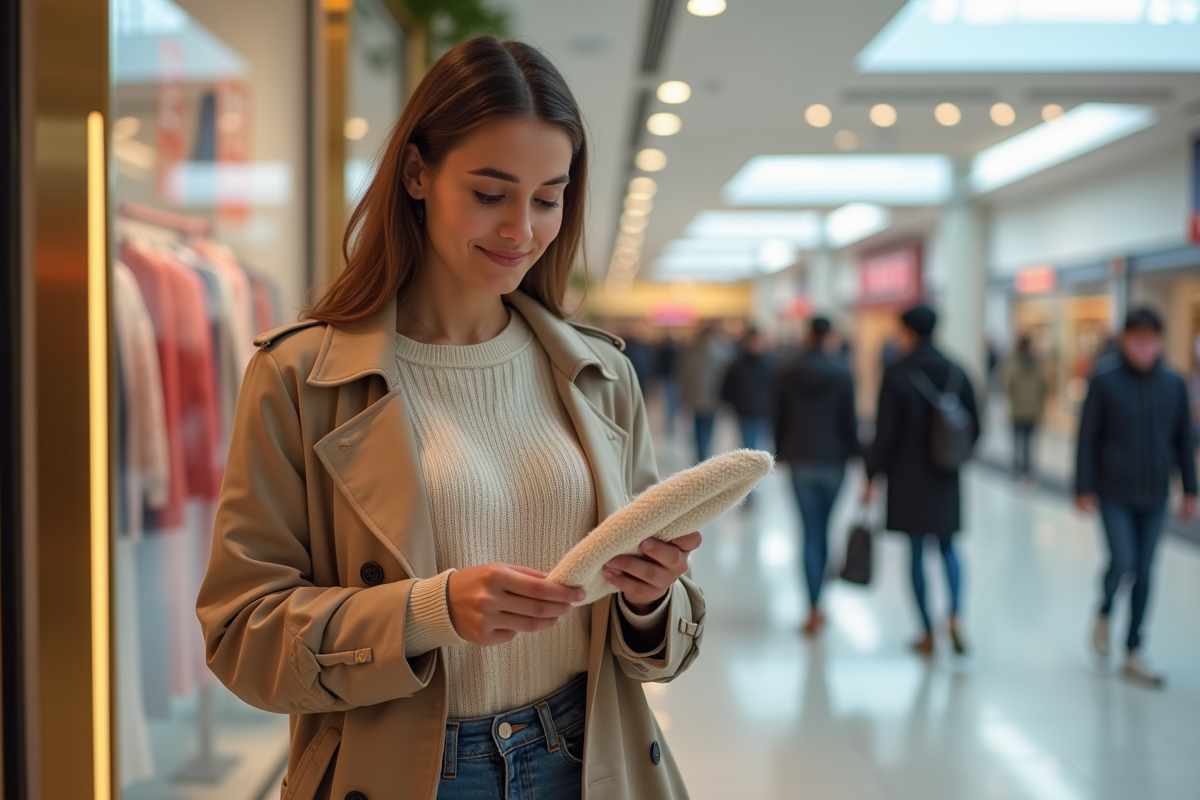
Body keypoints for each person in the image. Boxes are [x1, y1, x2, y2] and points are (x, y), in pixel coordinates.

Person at [196, 38, 705, 800]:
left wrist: (650, 598)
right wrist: (426, 611)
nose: (521, 231)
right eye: (490, 193)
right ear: (416, 174)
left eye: (548, 199)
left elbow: (660, 639)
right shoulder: (302, 377)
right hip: (410, 772)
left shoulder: (600, 376)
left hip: (587, 760)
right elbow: (243, 633)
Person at [1075, 307, 1197, 688]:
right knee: (1123, 560)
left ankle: (1133, 649)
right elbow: (1087, 437)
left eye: (1151, 339)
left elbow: (1183, 440)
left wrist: (1190, 489)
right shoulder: (1105, 379)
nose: (1145, 347)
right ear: (1125, 340)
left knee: (1145, 570)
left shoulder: (1173, 383)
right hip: (1114, 490)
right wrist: (1083, 486)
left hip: (1155, 492)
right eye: (1138, 339)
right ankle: (1105, 609)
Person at [864, 305, 980, 656]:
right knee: (948, 547)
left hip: (907, 477)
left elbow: (885, 433)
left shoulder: (897, 373)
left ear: (908, 332)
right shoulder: (958, 371)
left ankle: (926, 631)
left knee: (915, 553)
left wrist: (872, 475)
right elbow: (976, 425)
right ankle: (956, 614)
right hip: (945, 475)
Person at [772, 317, 859, 636]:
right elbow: (849, 420)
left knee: (809, 533)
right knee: (825, 529)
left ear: (808, 335)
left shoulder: (787, 371)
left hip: (800, 458)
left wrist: (780, 452)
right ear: (830, 336)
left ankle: (813, 607)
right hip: (834, 460)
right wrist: (857, 457)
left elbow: (779, 416)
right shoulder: (842, 372)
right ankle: (822, 600)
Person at [678, 322, 733, 462]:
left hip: (696, 398)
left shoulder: (691, 353)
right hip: (712, 398)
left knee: (699, 428)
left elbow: (682, 377)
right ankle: (704, 455)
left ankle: (701, 455)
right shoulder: (722, 354)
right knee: (707, 428)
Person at [720, 326, 774, 451]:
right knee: (749, 447)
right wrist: (736, 403)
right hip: (745, 412)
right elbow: (726, 389)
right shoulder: (737, 365)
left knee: (763, 447)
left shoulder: (770, 365)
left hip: (765, 412)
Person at [1005, 335, 1048, 481]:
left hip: (1018, 409)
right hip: (1031, 409)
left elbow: (1008, 385)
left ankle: (1019, 467)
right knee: (1028, 441)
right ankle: (1026, 468)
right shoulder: (1035, 365)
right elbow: (1043, 387)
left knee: (1019, 441)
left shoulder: (1014, 364)